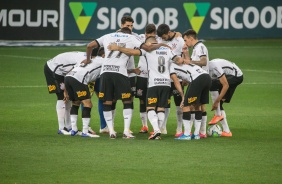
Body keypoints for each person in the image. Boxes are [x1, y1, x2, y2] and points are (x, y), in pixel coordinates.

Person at [82, 27, 168, 139]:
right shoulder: (131, 37)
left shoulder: (108, 36)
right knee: (127, 101)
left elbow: (89, 46)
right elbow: (147, 47)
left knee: (107, 101)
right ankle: (126, 131)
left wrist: (88, 59)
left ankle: (111, 131)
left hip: (106, 72)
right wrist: (161, 45)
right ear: (129, 33)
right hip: (120, 73)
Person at [108, 36, 190, 140]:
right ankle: (158, 130)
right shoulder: (167, 50)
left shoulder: (147, 51)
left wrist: (118, 48)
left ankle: (156, 130)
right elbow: (179, 61)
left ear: (149, 44)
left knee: (150, 108)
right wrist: (185, 54)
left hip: (153, 84)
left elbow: (132, 52)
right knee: (161, 108)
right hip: (166, 84)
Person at [44, 51, 88, 135]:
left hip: (62, 69)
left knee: (69, 98)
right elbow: (69, 75)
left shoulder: (89, 58)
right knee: (62, 97)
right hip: (53, 69)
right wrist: (65, 91)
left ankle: (69, 127)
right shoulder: (82, 62)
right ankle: (61, 128)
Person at [64, 47, 105, 138]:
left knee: (76, 103)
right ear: (104, 55)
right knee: (88, 104)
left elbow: (68, 72)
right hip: (79, 79)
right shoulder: (103, 61)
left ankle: (74, 130)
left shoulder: (88, 60)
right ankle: (85, 131)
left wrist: (65, 92)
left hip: (68, 78)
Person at [170, 60, 212, 140]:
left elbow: (176, 82)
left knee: (185, 106)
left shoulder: (170, 67)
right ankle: (196, 134)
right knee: (198, 105)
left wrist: (183, 97)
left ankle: (186, 134)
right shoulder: (180, 63)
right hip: (207, 77)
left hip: (197, 79)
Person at [156, 24, 185, 136]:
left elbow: (185, 56)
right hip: (164, 78)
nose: (162, 39)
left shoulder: (179, 40)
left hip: (177, 77)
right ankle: (163, 127)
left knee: (179, 105)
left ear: (168, 32)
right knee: (165, 104)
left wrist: (185, 77)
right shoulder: (159, 39)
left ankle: (179, 128)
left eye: (164, 36)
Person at [182, 29, 209, 138]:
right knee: (198, 105)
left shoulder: (200, 47)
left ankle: (194, 133)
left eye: (185, 40)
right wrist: (186, 53)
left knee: (190, 105)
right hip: (200, 78)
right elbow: (191, 65)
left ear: (191, 38)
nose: (185, 43)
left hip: (199, 79)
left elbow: (203, 62)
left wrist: (190, 61)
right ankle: (200, 133)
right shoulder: (195, 48)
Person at [208, 58, 243, 137]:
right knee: (219, 104)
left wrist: (216, 101)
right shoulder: (207, 68)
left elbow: (225, 85)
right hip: (229, 75)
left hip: (236, 76)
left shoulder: (213, 67)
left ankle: (218, 115)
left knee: (213, 85)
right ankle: (227, 132)